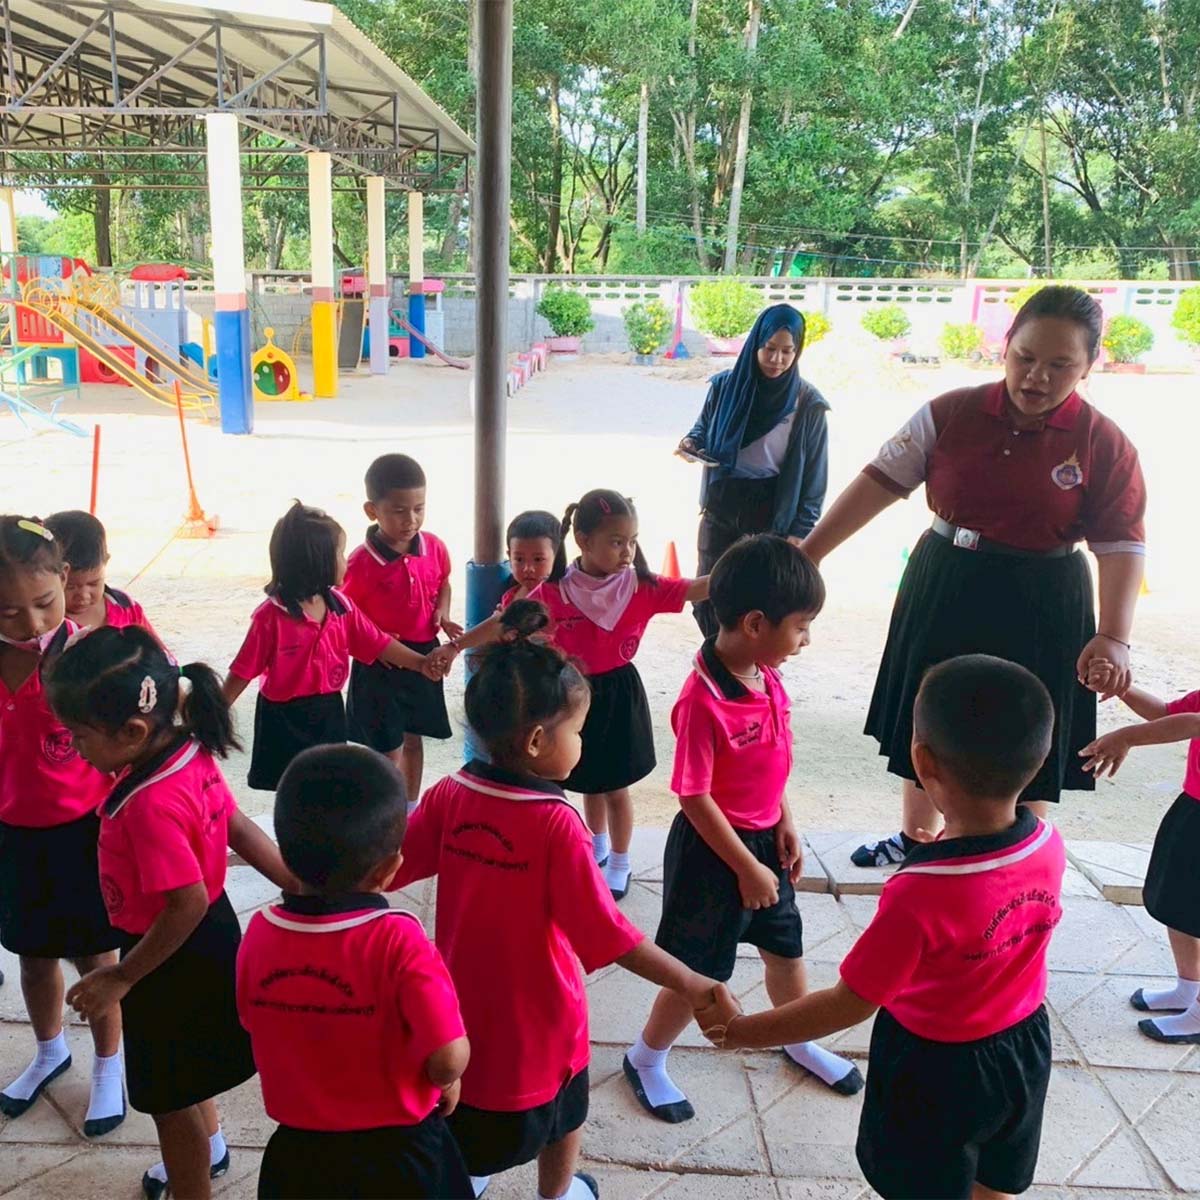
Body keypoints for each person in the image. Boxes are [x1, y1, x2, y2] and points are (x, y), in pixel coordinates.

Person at [799, 285, 1146, 867]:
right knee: (931, 708)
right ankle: (917, 840)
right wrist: (808, 556)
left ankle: (1018, 858)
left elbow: (1122, 542)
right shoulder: (951, 412)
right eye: (1025, 357)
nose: (1037, 376)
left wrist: (1114, 635)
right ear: (1005, 346)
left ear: (1090, 365)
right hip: (947, 579)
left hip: (1047, 596)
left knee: (1028, 723)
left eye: (1060, 365)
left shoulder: (1104, 443)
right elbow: (881, 480)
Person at [699, 655, 1065, 1200]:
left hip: (935, 1068)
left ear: (923, 761)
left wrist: (740, 1032)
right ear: (1038, 760)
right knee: (997, 1178)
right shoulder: (1048, 845)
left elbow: (849, 1002)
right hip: (1024, 1048)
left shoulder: (921, 891)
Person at [391, 601, 719, 1200]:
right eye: (578, 731)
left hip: (460, 1016)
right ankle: (557, 1194)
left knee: (464, 1136)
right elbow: (608, 934)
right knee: (565, 1117)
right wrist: (692, 983)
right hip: (544, 1031)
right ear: (539, 740)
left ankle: (470, 1181)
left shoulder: (450, 794)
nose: (582, 743)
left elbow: (388, 866)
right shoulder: (556, 824)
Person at [46, 625, 296, 1200]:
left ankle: (192, 1186)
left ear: (132, 732)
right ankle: (211, 1150)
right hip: (209, 937)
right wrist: (295, 883)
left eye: (80, 736)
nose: (76, 748)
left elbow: (186, 901)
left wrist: (121, 975)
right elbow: (235, 824)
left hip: (169, 957)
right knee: (188, 1078)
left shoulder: (148, 805)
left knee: (169, 1103)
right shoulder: (187, 751)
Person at [625, 535, 861, 1125]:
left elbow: (773, 759)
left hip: (764, 845)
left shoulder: (766, 675)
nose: (806, 640)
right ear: (756, 623)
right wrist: (746, 867)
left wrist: (785, 819)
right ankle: (646, 1057)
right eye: (801, 627)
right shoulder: (702, 700)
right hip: (714, 853)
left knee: (786, 950)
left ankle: (797, 1038)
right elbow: (693, 796)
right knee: (699, 972)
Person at [237, 745, 473, 1199]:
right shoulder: (399, 939)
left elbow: (253, 1021)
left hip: (299, 1156)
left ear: (286, 855)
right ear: (389, 869)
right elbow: (448, 1056)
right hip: (400, 1155)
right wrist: (446, 1079)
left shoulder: (260, 933)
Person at [0, 516, 125, 1139]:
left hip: (83, 833)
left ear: (66, 578)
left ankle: (110, 1062)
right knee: (31, 952)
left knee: (95, 956)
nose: (31, 623)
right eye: (9, 612)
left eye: (44, 603)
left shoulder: (85, 659)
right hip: (14, 832)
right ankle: (50, 1049)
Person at [528, 490, 710, 897]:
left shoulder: (641, 586)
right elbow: (508, 621)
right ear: (582, 540)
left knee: (616, 787)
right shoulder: (554, 591)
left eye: (632, 541)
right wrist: (457, 646)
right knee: (588, 781)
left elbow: (698, 588)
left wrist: (750, 565)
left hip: (619, 697)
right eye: (616, 541)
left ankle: (621, 861)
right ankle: (597, 846)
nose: (627, 551)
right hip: (574, 697)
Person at [224, 501, 434, 793]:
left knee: (329, 787)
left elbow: (380, 643)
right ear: (317, 562)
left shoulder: (341, 607)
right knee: (291, 790)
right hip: (284, 719)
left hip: (329, 712)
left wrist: (421, 663)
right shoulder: (269, 618)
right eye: (340, 553)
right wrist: (213, 712)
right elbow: (242, 672)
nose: (345, 562)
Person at [677, 304, 830, 638]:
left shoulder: (807, 403)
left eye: (787, 351)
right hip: (722, 504)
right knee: (709, 594)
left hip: (771, 511)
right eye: (769, 349)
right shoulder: (725, 387)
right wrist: (691, 443)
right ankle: (717, 657)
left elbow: (815, 477)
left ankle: (748, 666)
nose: (777, 359)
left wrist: (799, 531)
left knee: (760, 603)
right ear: (755, 344)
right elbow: (702, 429)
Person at [1079, 662, 1200, 1044]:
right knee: (1178, 902)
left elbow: (1194, 723)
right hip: (1193, 805)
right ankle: (1188, 987)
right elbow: (1166, 713)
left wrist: (1128, 737)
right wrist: (1123, 690)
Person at [342, 454, 462, 806]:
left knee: (413, 738)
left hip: (425, 651)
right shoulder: (360, 563)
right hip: (380, 663)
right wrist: (374, 640)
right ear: (372, 510)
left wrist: (442, 613)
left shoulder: (434, 547)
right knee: (386, 748)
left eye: (419, 509)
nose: (411, 520)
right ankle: (384, 812)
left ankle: (410, 808)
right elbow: (344, 616)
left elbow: (443, 583)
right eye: (398, 511)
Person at [426, 508, 562, 678]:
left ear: (556, 556)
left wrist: (455, 646)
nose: (528, 568)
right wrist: (454, 647)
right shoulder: (511, 596)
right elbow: (497, 624)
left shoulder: (562, 594)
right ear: (509, 556)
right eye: (519, 559)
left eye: (538, 559)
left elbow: (499, 623)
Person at [44, 510, 156, 633]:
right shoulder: (46, 626)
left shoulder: (126, 607)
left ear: (106, 562)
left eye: (94, 583)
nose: (83, 595)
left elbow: (155, 645)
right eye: (70, 586)